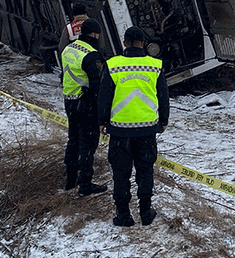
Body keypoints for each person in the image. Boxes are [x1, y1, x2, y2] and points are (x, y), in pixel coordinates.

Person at [98, 26, 170, 227]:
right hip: (147, 130)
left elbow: (104, 97)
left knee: (120, 173)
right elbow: (163, 96)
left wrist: (102, 121)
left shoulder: (113, 65)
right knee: (145, 171)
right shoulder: (155, 65)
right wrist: (163, 121)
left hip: (120, 131)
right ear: (144, 44)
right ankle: (146, 213)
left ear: (124, 43)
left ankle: (123, 215)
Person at [60, 18, 108, 197]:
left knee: (73, 139)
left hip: (69, 100)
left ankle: (70, 179)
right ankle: (86, 183)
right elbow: (97, 85)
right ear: (95, 34)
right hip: (85, 103)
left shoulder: (69, 49)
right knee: (88, 143)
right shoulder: (91, 54)